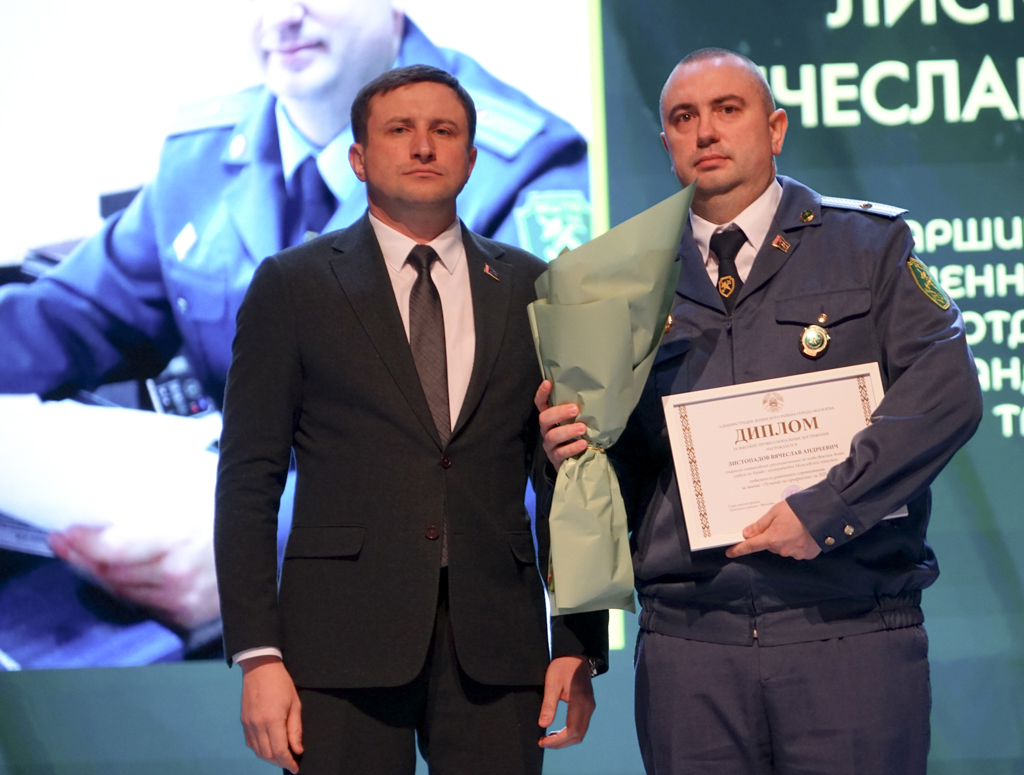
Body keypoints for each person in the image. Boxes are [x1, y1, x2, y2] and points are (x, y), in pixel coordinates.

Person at [0, 0, 590, 633]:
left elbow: (534, 461)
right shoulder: (203, 154)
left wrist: (268, 543)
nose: (282, 14)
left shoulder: (519, 174)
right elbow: (72, 316)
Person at [538, 48, 982, 775]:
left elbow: (945, 392)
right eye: (684, 117)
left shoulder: (868, 246)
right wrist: (572, 453)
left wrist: (829, 508)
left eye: (728, 110)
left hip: (846, 626)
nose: (706, 130)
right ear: (667, 143)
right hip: (690, 645)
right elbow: (612, 472)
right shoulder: (614, 283)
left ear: (775, 128)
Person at [216, 65, 607, 775]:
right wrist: (258, 655)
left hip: (498, 644)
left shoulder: (532, 286)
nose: (424, 146)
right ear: (358, 157)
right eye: (400, 130)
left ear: (472, 157)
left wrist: (578, 640)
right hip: (338, 646)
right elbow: (248, 479)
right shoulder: (294, 285)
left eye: (444, 131)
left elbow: (565, 475)